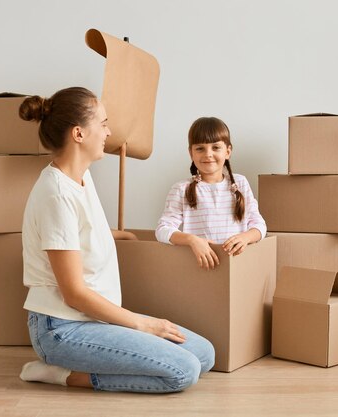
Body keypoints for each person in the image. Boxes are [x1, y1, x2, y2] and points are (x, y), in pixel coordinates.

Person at [17, 87, 215, 393]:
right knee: (183, 372)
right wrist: (142, 323)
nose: (109, 132)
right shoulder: (56, 195)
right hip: (62, 328)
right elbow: (74, 294)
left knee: (204, 354)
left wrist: (113, 235)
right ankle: (58, 374)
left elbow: (75, 234)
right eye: (104, 123)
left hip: (93, 319)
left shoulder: (81, 176)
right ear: (79, 134)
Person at [155, 117, 267, 270]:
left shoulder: (241, 183)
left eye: (215, 148)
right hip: (200, 269)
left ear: (227, 152)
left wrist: (245, 238)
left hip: (237, 268)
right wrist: (193, 240)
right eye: (200, 148)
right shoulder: (181, 189)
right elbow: (162, 230)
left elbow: (259, 225)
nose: (208, 154)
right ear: (191, 153)